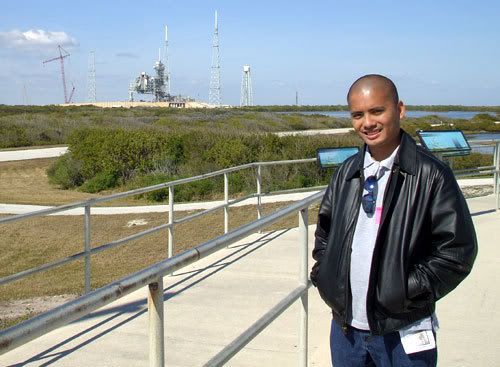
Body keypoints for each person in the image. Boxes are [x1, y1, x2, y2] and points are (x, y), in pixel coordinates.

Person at [310, 74, 477, 366]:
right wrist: (325, 276)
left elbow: (457, 252)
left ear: (399, 110)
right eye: (358, 115)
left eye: (377, 111)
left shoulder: (431, 174)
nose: (367, 123)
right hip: (346, 331)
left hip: (403, 331)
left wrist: (404, 290)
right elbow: (325, 234)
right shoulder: (346, 173)